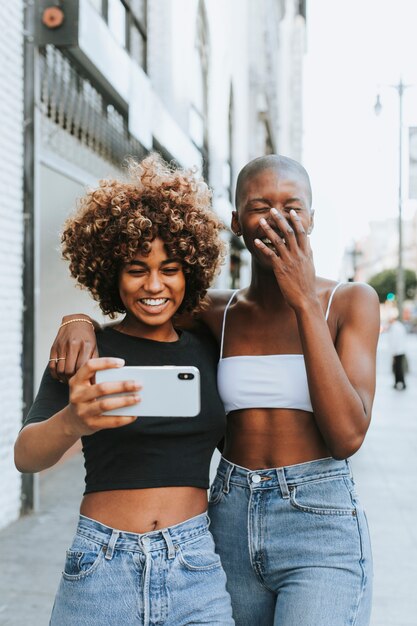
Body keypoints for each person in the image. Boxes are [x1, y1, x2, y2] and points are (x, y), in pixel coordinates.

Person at [48, 154, 380, 626]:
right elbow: (142, 303)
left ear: (311, 219)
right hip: (229, 514)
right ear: (235, 221)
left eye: (294, 207)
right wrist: (77, 319)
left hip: (318, 520)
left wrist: (304, 300)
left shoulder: (349, 301)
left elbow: (347, 436)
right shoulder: (216, 312)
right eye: (260, 205)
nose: (278, 219)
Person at [14, 154, 235, 626]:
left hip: (194, 566)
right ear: (111, 273)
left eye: (170, 268)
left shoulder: (212, 350)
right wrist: (73, 420)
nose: (154, 285)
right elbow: (26, 457)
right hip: (100, 567)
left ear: (190, 271)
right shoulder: (85, 350)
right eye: (137, 269)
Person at [387, 315, 408, 389]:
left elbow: (394, 341)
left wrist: (393, 353)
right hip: (401, 350)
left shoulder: (394, 327)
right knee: (398, 368)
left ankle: (399, 383)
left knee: (398, 368)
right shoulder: (399, 326)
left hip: (397, 351)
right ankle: (399, 382)